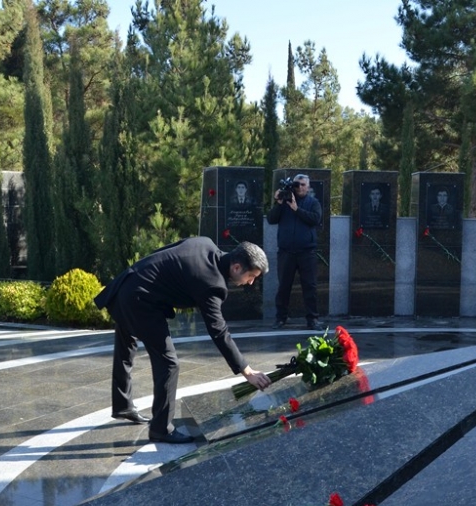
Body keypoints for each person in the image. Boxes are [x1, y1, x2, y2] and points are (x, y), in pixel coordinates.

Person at [94, 238, 273, 443]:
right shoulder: (211, 283)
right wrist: (247, 371)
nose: (251, 283)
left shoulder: (205, 244)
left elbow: (162, 253)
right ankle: (161, 429)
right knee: (169, 363)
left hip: (129, 284)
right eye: (251, 276)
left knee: (126, 345)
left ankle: (123, 405)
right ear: (237, 267)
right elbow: (219, 331)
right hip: (140, 301)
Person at [267, 173, 323, 331]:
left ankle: (313, 319)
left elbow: (315, 219)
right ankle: (280, 318)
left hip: (306, 252)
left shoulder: (313, 203)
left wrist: (297, 209)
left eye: (303, 185)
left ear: (308, 187)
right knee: (283, 287)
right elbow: (271, 219)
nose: (300, 188)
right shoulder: (284, 202)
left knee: (310, 287)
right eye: (297, 184)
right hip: (286, 252)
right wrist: (278, 203)